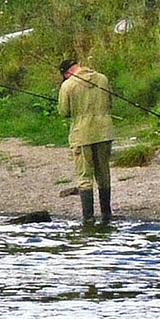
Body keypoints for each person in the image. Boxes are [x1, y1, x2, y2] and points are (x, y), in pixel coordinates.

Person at [58, 59, 115, 225]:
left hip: (81, 135)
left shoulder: (68, 86)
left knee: (85, 176)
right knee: (103, 173)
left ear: (66, 73)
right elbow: (110, 102)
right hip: (104, 132)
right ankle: (106, 214)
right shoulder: (102, 78)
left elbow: (64, 111)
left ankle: (88, 218)